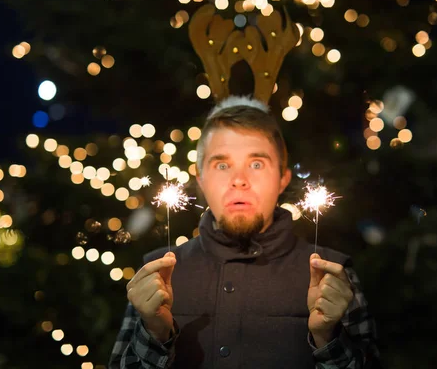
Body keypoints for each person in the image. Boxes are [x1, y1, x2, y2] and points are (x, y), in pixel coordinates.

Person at [109, 96, 381, 368]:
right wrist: (155, 333)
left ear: (282, 178)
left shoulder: (332, 275)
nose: (239, 180)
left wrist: (327, 337)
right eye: (222, 165)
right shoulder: (155, 274)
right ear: (200, 179)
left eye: (257, 164)